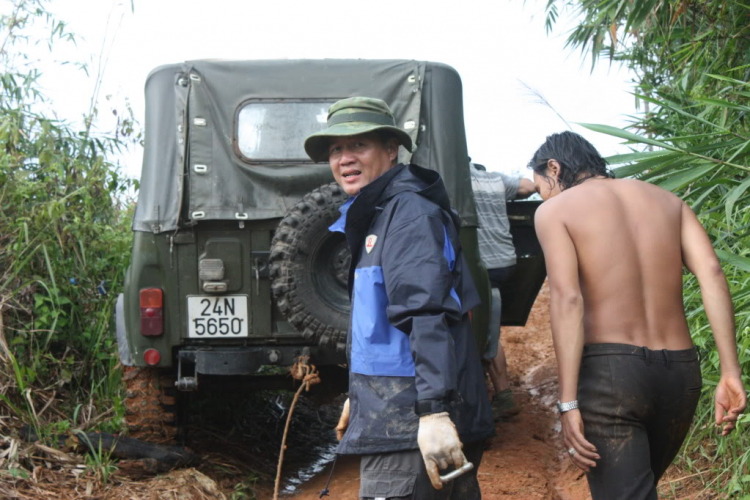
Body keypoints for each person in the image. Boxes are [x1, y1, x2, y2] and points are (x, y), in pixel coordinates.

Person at [529, 131, 747, 499]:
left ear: (554, 167)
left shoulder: (555, 211)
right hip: (680, 374)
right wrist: (730, 371)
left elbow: (568, 299)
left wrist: (568, 402)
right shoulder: (668, 201)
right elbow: (711, 271)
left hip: (612, 377)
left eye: (541, 187)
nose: (543, 196)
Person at [304, 97, 494, 500]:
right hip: (403, 413)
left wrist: (434, 412)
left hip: (411, 425)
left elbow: (427, 316)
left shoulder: (407, 214)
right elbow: (385, 329)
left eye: (359, 146)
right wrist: (362, 399)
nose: (345, 159)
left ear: (391, 150)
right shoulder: (380, 213)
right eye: (336, 150)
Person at [469, 163, 535, 420]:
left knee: (475, 330)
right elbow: (529, 186)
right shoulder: (495, 180)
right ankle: (502, 393)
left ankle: (480, 397)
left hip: (478, 265)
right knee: (490, 327)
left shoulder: (452, 180)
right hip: (505, 263)